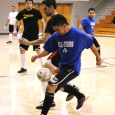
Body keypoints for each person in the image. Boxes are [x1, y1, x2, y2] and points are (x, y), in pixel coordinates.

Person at [31, 14, 102, 115]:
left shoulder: (78, 34)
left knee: (50, 87)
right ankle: (80, 96)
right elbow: (47, 50)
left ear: (64, 26)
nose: (56, 32)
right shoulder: (56, 36)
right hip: (62, 66)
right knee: (59, 86)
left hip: (72, 67)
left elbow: (91, 44)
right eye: (55, 30)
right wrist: (37, 56)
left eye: (58, 30)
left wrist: (98, 58)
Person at [19, 0, 79, 109]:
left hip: (59, 51)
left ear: (51, 7)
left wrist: (29, 43)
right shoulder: (61, 17)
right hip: (64, 50)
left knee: (44, 73)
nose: (44, 11)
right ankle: (73, 88)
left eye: (45, 8)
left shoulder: (53, 20)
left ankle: (51, 100)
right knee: (55, 72)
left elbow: (45, 39)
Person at [14, 0, 45, 73]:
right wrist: (15, 30)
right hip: (25, 35)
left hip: (35, 35)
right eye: (27, 3)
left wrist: (43, 33)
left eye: (30, 3)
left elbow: (43, 22)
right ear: (25, 4)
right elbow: (16, 22)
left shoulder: (36, 12)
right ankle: (24, 67)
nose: (29, 5)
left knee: (38, 51)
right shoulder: (22, 12)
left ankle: (43, 66)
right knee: (22, 50)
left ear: (32, 4)